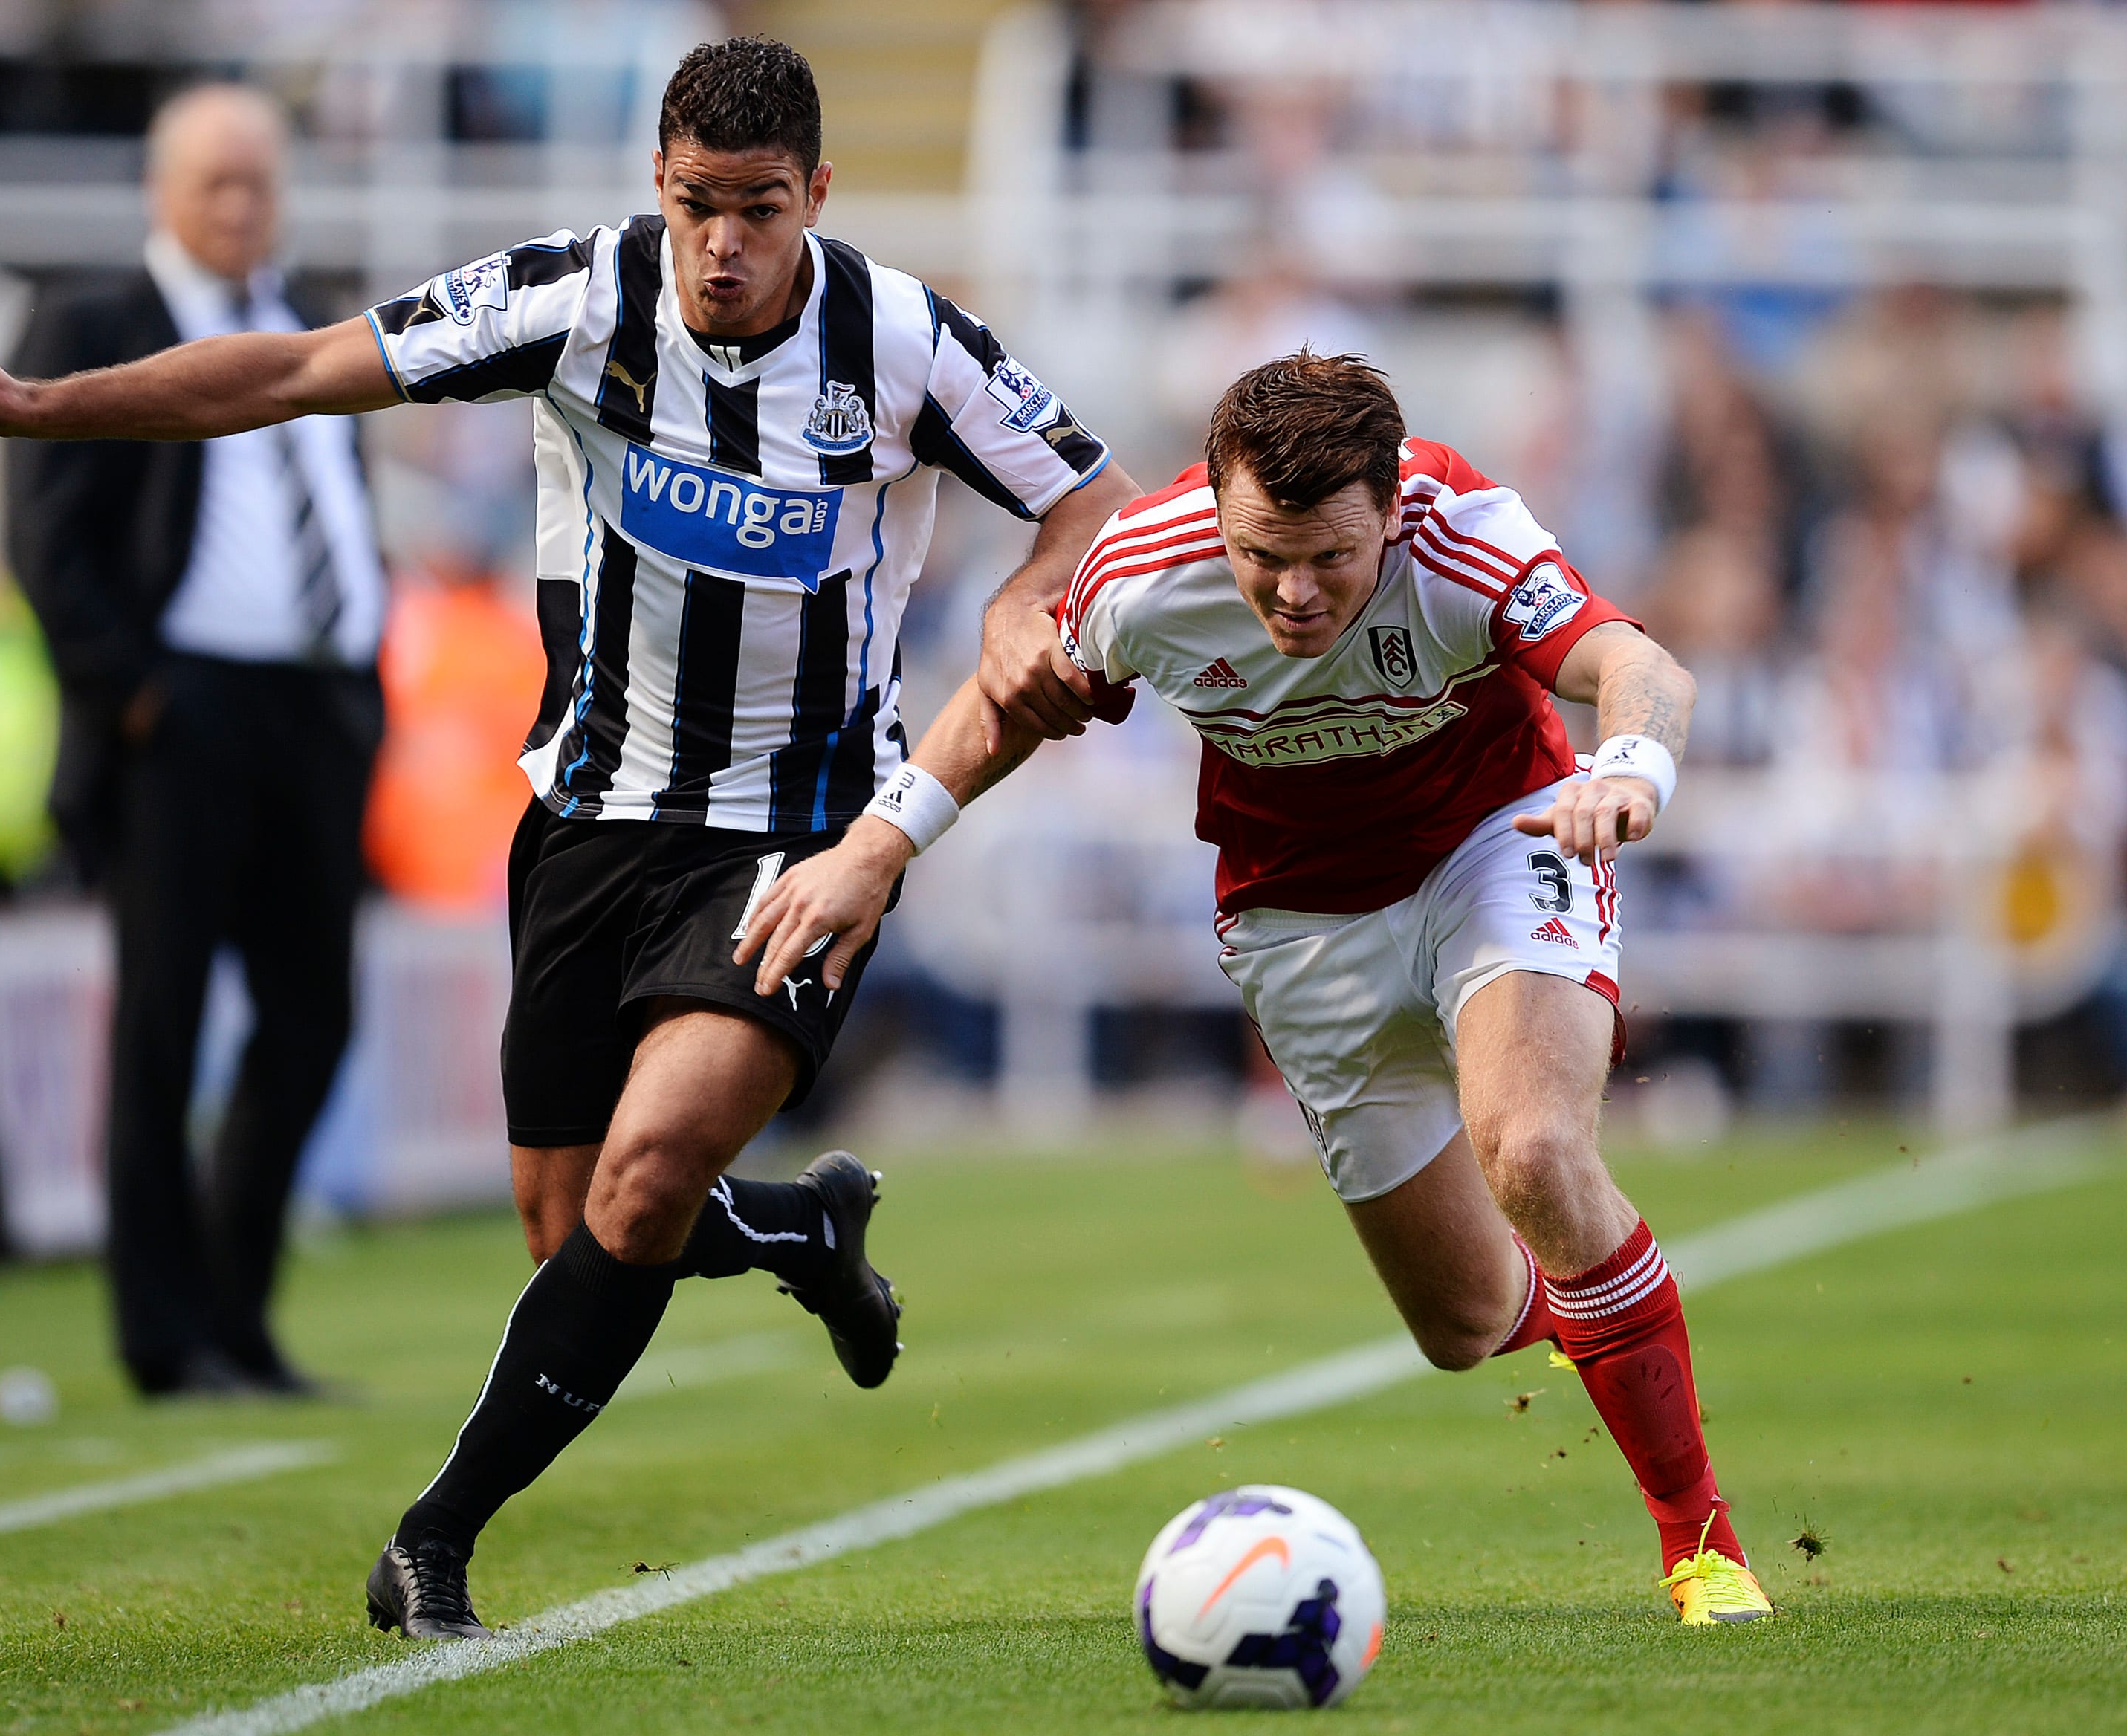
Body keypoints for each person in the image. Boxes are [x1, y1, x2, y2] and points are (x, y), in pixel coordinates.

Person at [0, 36, 1136, 1634]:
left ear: (816, 194)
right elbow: (290, 370)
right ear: (657, 185)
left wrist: (1027, 605)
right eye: (696, 205)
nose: (723, 244)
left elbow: (1096, 496)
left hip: (804, 835)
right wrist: (49, 407)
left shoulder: (902, 338)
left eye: (758, 208)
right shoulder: (572, 298)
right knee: (571, 1218)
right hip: (594, 820)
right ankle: (802, 1226)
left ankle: (433, 1539)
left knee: (648, 1175)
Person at [741, 353, 1776, 1626]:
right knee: (1461, 1324)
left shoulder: (1465, 536)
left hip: (1500, 845)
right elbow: (1009, 706)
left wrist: (1629, 770)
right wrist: (874, 848)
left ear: (1389, 510)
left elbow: (1642, 666)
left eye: (1330, 558)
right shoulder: (1145, 569)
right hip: (1299, 917)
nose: (1292, 592)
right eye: (1261, 555)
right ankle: (1602, 1299)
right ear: (1219, 511)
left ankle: (1702, 1548)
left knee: (1533, 1151)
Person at [0, 84, 392, 1398]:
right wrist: (133, 694)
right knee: (163, 1026)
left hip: (318, 709)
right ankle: (165, 1339)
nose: (238, 206)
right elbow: (47, 533)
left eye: (257, 182)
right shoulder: (96, 323)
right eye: (214, 182)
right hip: (181, 716)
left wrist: (364, 681)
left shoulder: (310, 314)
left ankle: (236, 1313)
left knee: (315, 1018)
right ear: (160, 192)